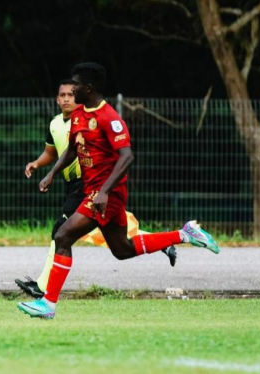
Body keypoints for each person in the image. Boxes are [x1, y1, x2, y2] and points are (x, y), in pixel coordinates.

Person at [17, 63, 219, 319]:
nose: (72, 89)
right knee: (122, 249)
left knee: (63, 235)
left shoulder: (109, 117)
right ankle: (185, 234)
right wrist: (52, 173)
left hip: (106, 195)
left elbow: (127, 156)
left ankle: (48, 303)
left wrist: (104, 192)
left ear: (88, 88)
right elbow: (71, 149)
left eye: (76, 85)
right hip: (94, 192)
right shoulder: (79, 115)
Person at [14, 79, 177, 299]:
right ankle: (165, 242)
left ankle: (44, 289)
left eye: (71, 95)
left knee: (61, 232)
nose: (66, 99)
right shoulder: (55, 124)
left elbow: (120, 153)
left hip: (89, 185)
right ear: (57, 99)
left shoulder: (89, 117)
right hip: (72, 185)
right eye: (62, 96)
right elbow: (53, 152)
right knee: (112, 241)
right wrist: (39, 165)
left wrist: (103, 187)